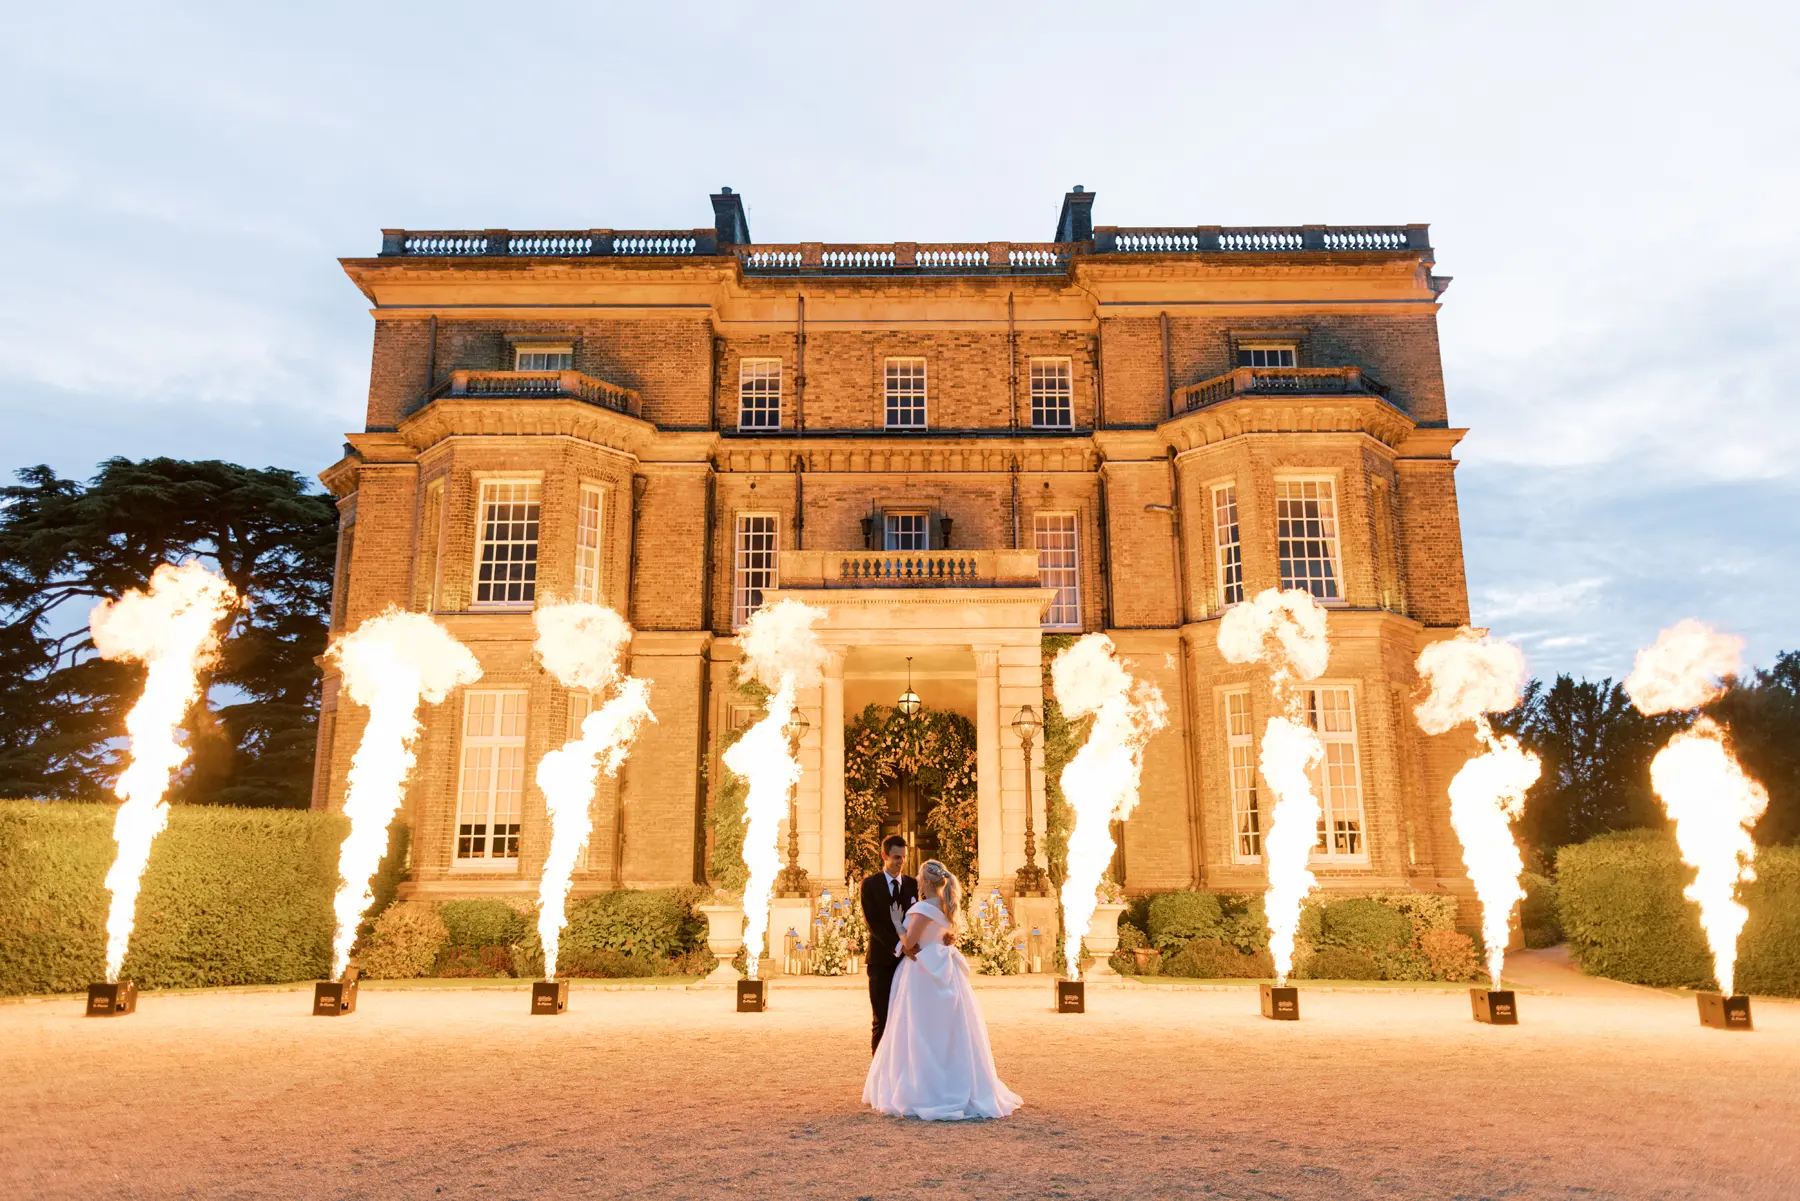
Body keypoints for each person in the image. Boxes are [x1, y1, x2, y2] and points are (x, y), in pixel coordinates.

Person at [862, 859, 1022, 1121]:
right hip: (946, 972)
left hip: (921, 973)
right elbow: (945, 936)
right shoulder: (948, 906)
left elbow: (909, 943)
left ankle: (923, 1088)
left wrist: (897, 923)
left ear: (924, 882)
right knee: (949, 1032)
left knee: (919, 1030)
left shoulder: (923, 908)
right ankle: (953, 1084)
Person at [858, 835, 917, 1053]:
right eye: (896, 857)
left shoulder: (913, 885)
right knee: (881, 1021)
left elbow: (921, 918)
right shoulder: (870, 885)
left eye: (903, 857)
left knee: (907, 1021)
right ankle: (879, 1078)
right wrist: (901, 947)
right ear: (884, 855)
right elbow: (874, 925)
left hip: (910, 966)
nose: (901, 862)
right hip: (881, 963)